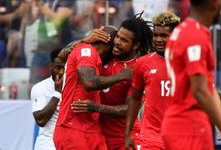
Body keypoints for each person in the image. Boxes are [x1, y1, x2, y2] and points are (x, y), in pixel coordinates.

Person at [163, 0, 221, 150]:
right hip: (189, 126)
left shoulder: (183, 31)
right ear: (215, 1)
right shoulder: (194, 35)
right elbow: (199, 90)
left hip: (182, 123)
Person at [70, 14, 153, 150]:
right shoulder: (106, 55)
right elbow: (63, 55)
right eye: (118, 37)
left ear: (135, 45)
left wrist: (97, 108)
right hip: (99, 136)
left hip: (124, 138)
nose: (117, 42)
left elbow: (129, 109)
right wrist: (84, 40)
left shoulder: (137, 69)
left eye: (124, 40)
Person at [53, 26, 119, 150]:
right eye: (115, 47)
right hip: (73, 128)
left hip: (91, 128)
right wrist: (122, 76)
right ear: (108, 45)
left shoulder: (95, 58)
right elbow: (89, 82)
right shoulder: (86, 50)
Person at [124, 12, 180, 150]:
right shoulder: (143, 63)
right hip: (151, 138)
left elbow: (209, 91)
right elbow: (135, 99)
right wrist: (127, 132)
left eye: (164, 36)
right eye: (155, 35)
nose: (158, 40)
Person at [31, 49, 64, 150]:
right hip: (47, 144)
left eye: (65, 67)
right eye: (58, 68)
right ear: (51, 66)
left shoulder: (74, 87)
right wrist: (57, 93)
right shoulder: (40, 88)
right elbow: (40, 120)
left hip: (69, 144)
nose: (62, 72)